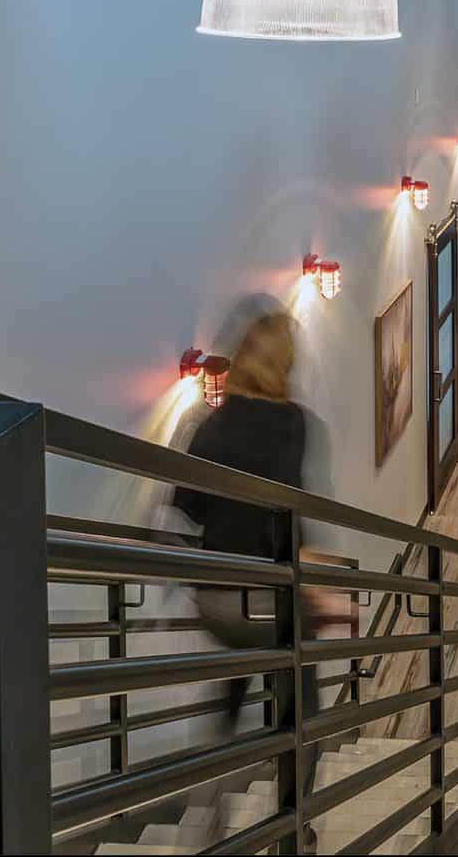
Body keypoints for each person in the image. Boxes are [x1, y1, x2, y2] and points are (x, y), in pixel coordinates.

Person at [169, 310, 346, 800]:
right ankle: (295, 816)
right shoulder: (293, 424)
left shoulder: (209, 425)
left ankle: (209, 794)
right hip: (270, 598)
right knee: (302, 703)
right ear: (285, 364)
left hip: (217, 601)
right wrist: (320, 585)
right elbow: (293, 514)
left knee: (236, 668)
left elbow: (187, 508)